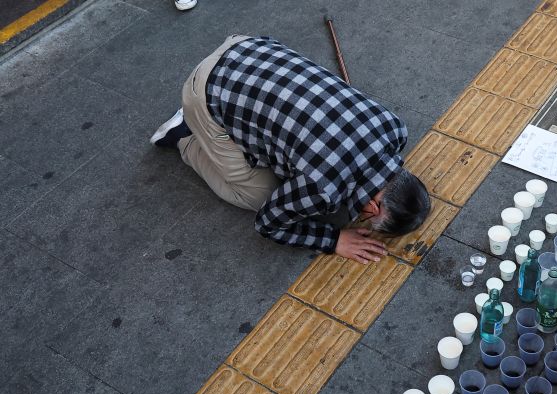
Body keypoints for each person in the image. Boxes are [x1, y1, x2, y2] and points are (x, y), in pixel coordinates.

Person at [150, 35, 431, 264]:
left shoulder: (394, 129)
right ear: (372, 206)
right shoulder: (323, 189)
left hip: (247, 46)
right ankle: (183, 135)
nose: (363, 220)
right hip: (204, 91)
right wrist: (333, 240)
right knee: (258, 195)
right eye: (370, 220)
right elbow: (268, 223)